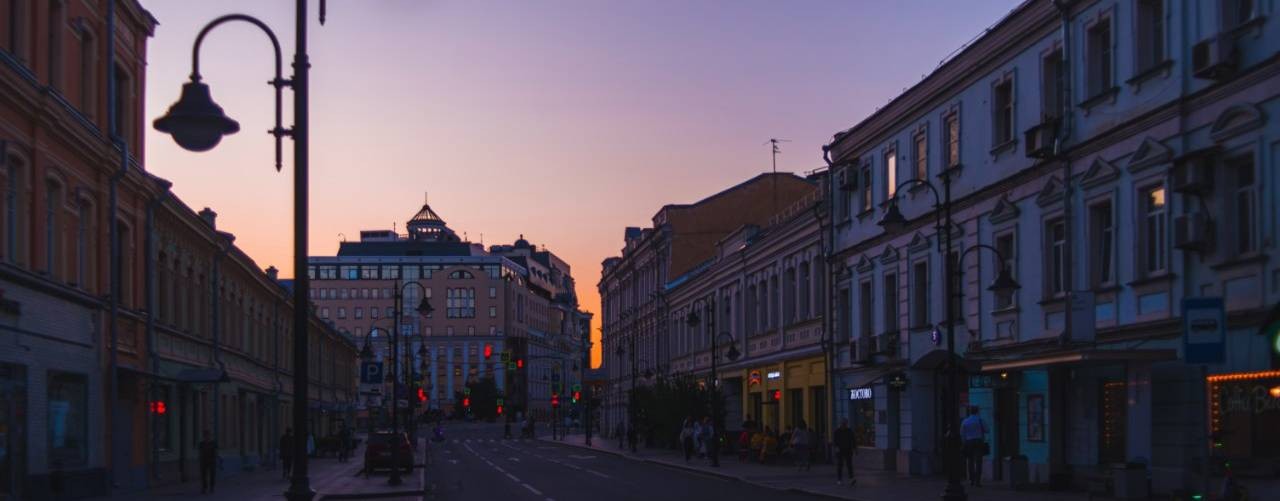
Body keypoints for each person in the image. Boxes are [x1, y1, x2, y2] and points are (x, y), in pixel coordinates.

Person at [960, 406, 988, 487]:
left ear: (970, 411)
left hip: (969, 441)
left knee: (970, 461)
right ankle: (978, 481)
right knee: (979, 461)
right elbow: (987, 430)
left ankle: (972, 480)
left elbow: (962, 433)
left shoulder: (965, 421)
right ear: (977, 411)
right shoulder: (980, 420)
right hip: (978, 441)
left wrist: (964, 442)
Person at [833, 419, 856, 486]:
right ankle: (839, 479)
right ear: (840, 424)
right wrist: (836, 448)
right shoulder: (837, 431)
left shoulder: (849, 431)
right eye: (843, 424)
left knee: (849, 465)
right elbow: (835, 441)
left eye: (845, 424)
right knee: (840, 465)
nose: (844, 425)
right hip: (840, 450)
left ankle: (851, 478)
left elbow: (853, 440)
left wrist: (855, 448)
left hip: (848, 450)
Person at [198, 430, 218, 494]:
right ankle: (204, 488)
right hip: (204, 461)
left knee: (212, 475)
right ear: (204, 436)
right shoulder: (201, 444)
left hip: (211, 461)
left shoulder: (213, 443)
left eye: (208, 435)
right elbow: (200, 453)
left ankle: (212, 487)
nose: (207, 437)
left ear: (210, 436)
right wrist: (200, 459)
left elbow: (215, 453)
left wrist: (215, 459)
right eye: (205, 436)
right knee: (204, 475)